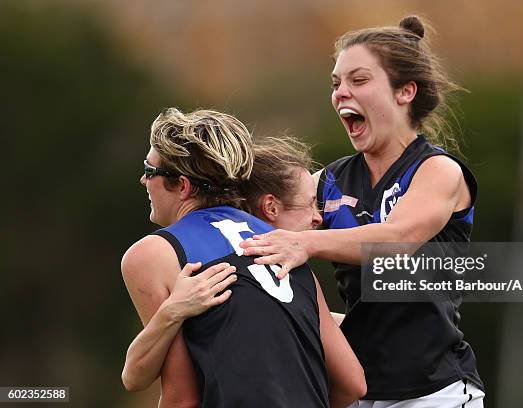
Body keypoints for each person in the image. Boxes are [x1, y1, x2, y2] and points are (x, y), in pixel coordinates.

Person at [241, 16, 485, 408]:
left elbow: (399, 238)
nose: (340, 93)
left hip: (434, 390)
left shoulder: (438, 171)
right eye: (336, 84)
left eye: (358, 80)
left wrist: (304, 242)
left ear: (405, 91)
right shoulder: (329, 181)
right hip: (359, 389)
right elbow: (264, 210)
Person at [121, 109, 365, 408]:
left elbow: (182, 399)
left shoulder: (152, 254)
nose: (143, 180)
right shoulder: (285, 246)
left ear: (183, 186)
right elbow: (353, 382)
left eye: (149, 170)